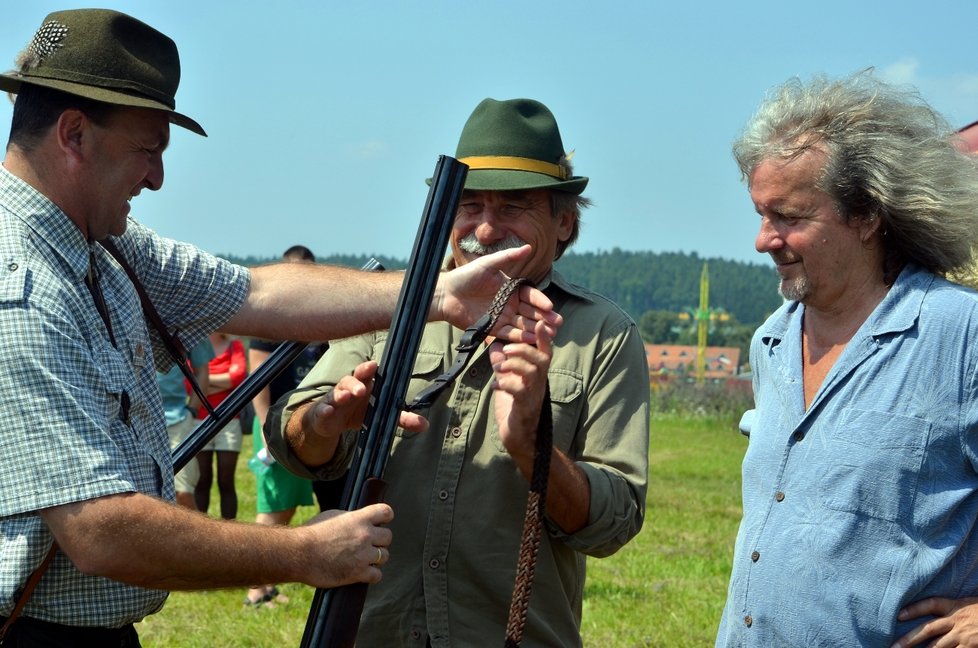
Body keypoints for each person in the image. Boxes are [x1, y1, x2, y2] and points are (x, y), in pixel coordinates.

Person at [0, 10, 558, 645]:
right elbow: (99, 530)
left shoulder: (105, 246)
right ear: (74, 133)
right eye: (148, 149)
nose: (156, 177)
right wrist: (304, 552)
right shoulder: (18, 291)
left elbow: (257, 292)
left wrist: (437, 292)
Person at [266, 97, 650, 647]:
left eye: (513, 207)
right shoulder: (392, 304)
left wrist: (530, 446)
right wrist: (324, 424)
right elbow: (290, 438)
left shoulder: (604, 335)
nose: (487, 230)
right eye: (470, 205)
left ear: (565, 221)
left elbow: (614, 520)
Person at [714, 71, 978, 647]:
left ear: (866, 216)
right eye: (761, 214)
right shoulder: (770, 343)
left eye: (788, 217)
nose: (763, 239)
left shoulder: (963, 336)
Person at [245, 244, 329, 608]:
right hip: (277, 426)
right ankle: (254, 590)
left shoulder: (322, 317)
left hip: (307, 426)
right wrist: (266, 428)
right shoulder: (271, 319)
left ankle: (267, 584)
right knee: (273, 509)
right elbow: (257, 378)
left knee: (288, 508)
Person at [193, 332, 247, 519]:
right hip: (199, 421)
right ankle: (200, 532)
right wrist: (226, 381)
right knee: (201, 480)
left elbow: (239, 377)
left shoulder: (235, 345)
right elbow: (187, 383)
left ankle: (229, 529)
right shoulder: (194, 344)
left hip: (229, 420)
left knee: (226, 481)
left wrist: (203, 380)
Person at [157, 339, 213, 510]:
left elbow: (202, 371)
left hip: (177, 419)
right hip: (133, 419)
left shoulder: (187, 314)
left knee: (182, 494)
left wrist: (192, 411)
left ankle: (202, 537)